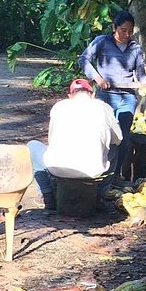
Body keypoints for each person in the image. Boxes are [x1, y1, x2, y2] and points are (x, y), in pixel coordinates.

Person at [25, 78, 122, 211]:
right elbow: (118, 139)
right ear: (92, 94)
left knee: (32, 146)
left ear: (70, 96)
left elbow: (52, 140)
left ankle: (47, 195)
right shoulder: (103, 107)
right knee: (115, 149)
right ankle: (99, 196)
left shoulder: (59, 107)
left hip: (58, 169)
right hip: (93, 171)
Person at [78, 10, 146, 181]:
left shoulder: (135, 48)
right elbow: (83, 59)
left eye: (130, 31)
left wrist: (145, 83)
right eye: (123, 30)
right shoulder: (102, 42)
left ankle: (116, 175)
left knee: (123, 137)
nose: (127, 34)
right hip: (105, 96)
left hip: (128, 97)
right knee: (104, 134)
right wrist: (97, 78)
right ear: (114, 28)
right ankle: (100, 172)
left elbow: (140, 72)